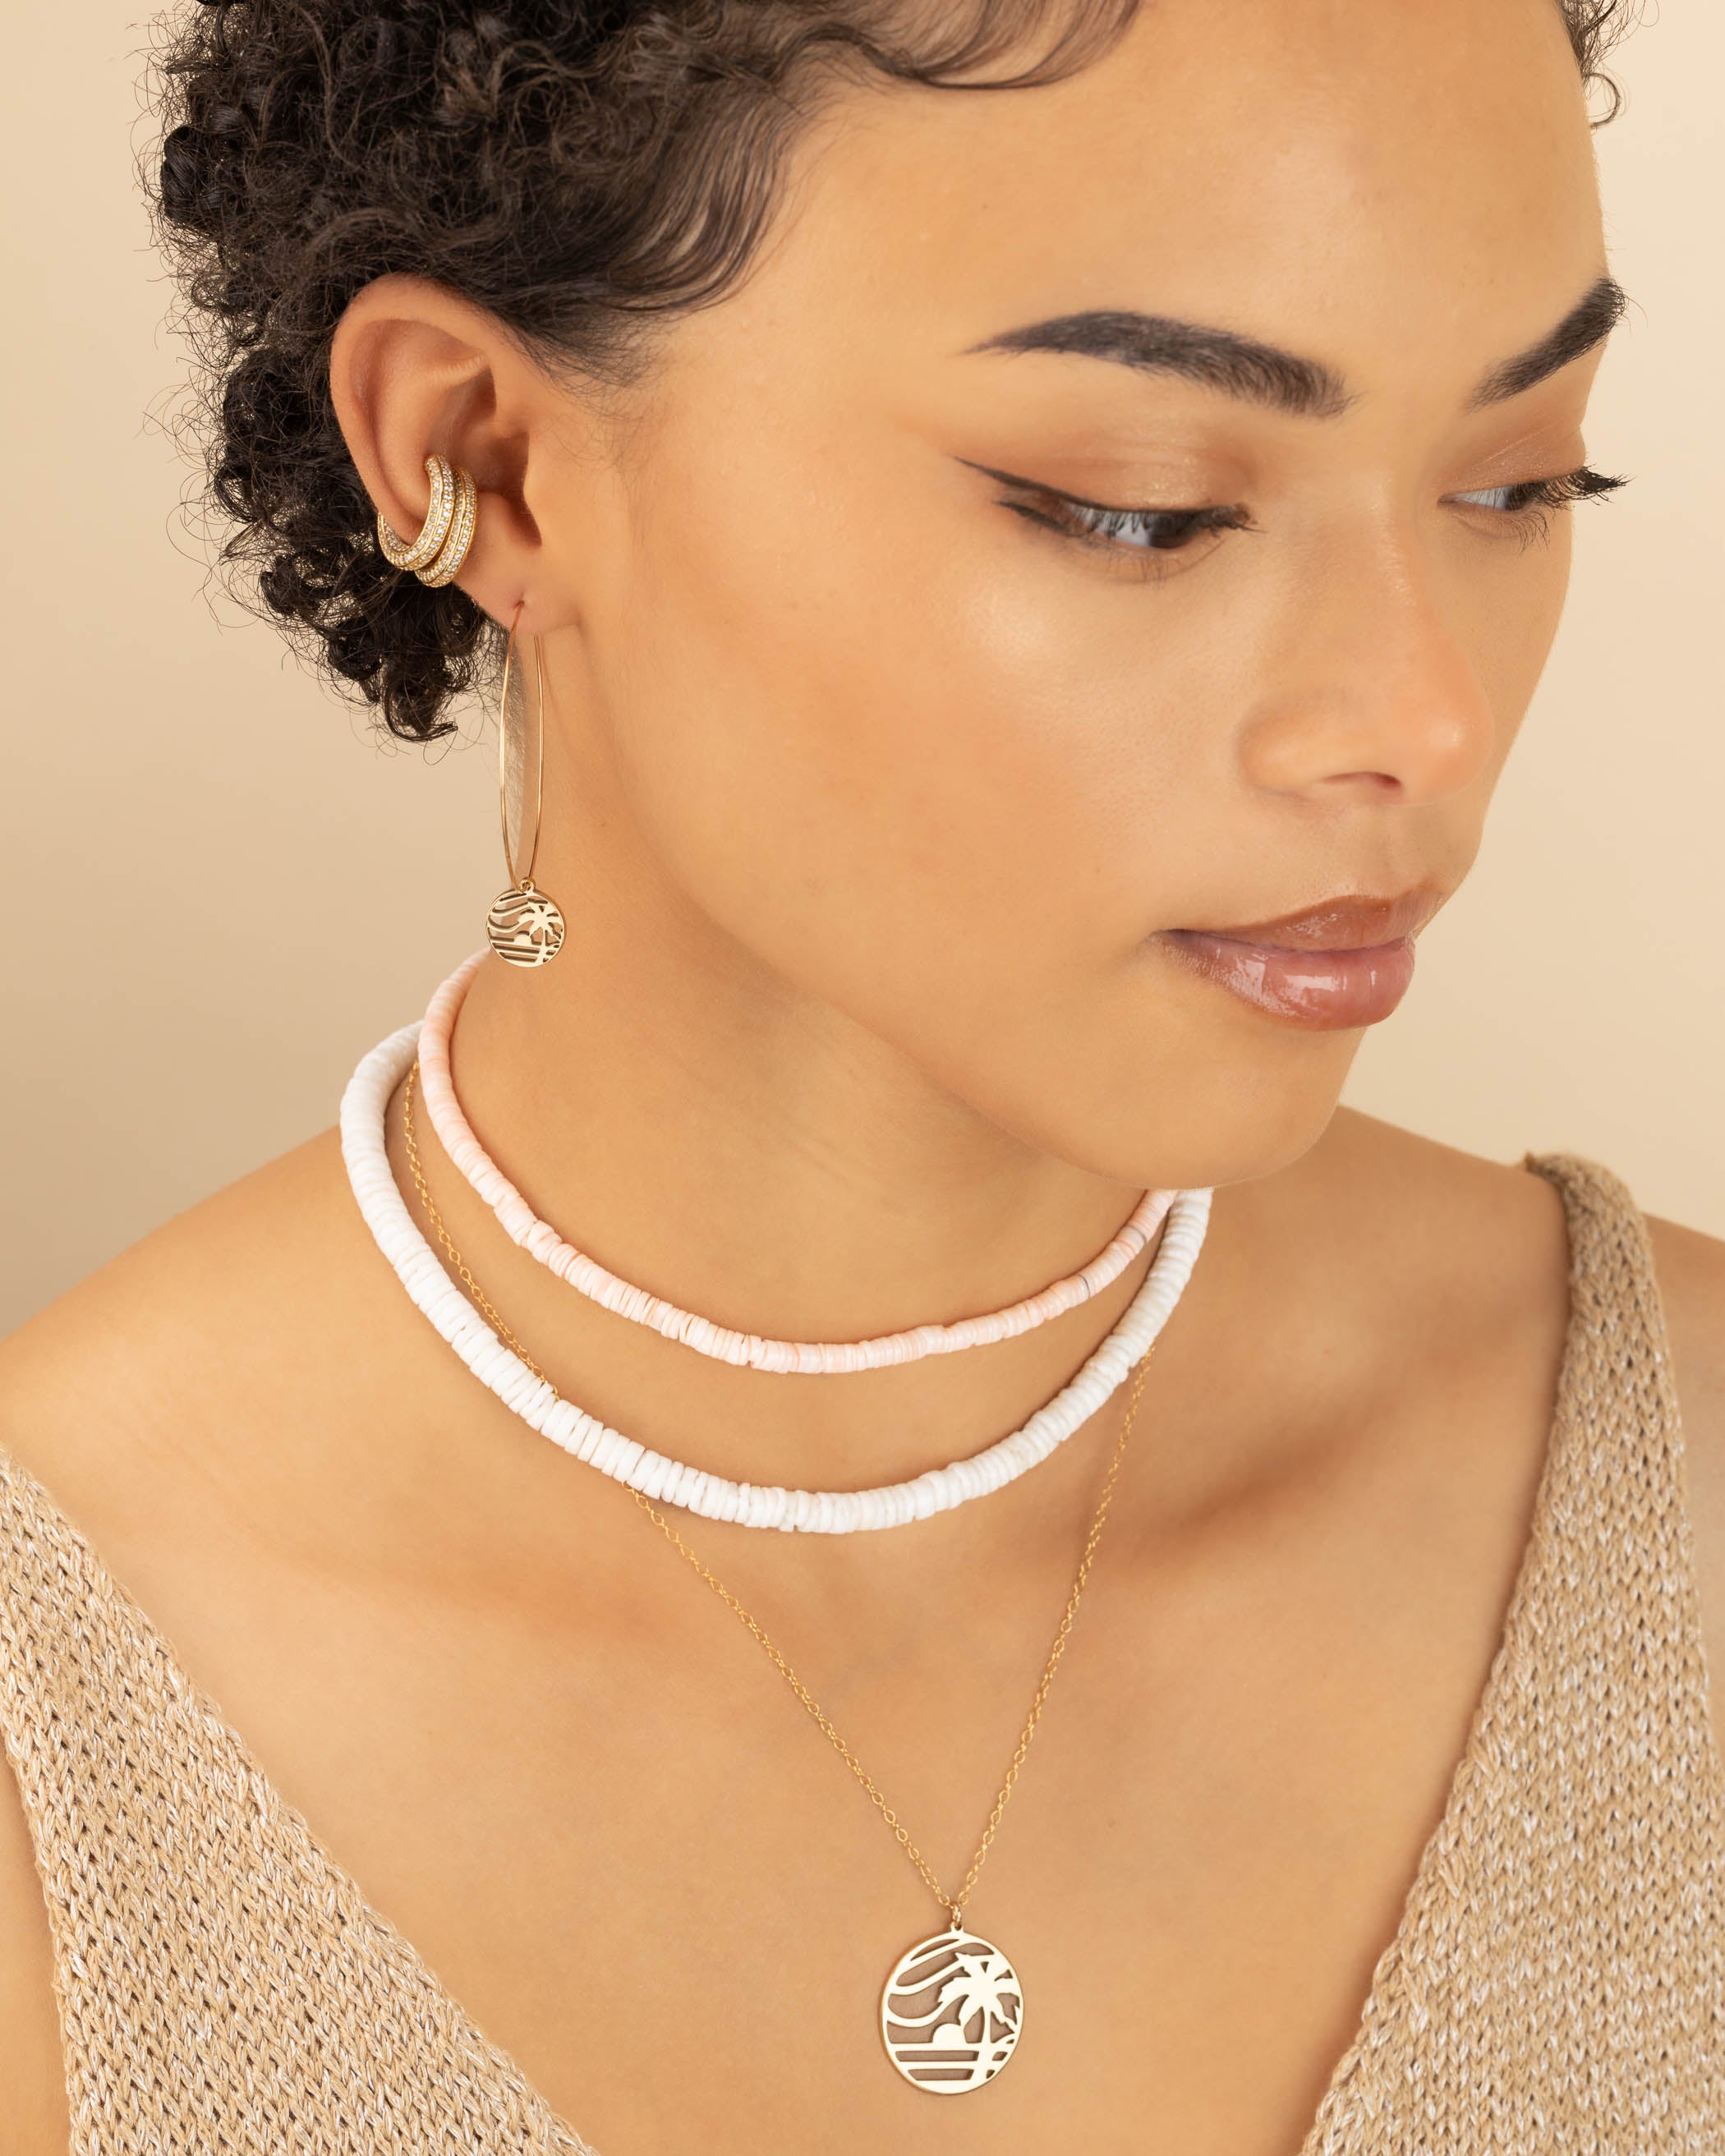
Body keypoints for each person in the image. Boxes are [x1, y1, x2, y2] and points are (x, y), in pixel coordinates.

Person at [2, 0, 1721, 2149]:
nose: (1422, 716)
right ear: (481, 460)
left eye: (1519, 479)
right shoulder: (59, 1766)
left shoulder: (1686, 1506)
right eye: (1145, 507)